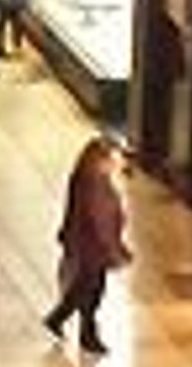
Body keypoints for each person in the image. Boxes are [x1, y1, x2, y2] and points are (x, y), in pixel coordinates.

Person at [44, 136, 130, 354]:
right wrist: (113, 248)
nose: (119, 161)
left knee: (84, 287)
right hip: (92, 247)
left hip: (87, 245)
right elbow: (100, 218)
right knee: (92, 291)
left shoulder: (88, 176)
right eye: (116, 157)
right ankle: (86, 335)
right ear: (102, 159)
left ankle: (59, 320)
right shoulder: (94, 182)